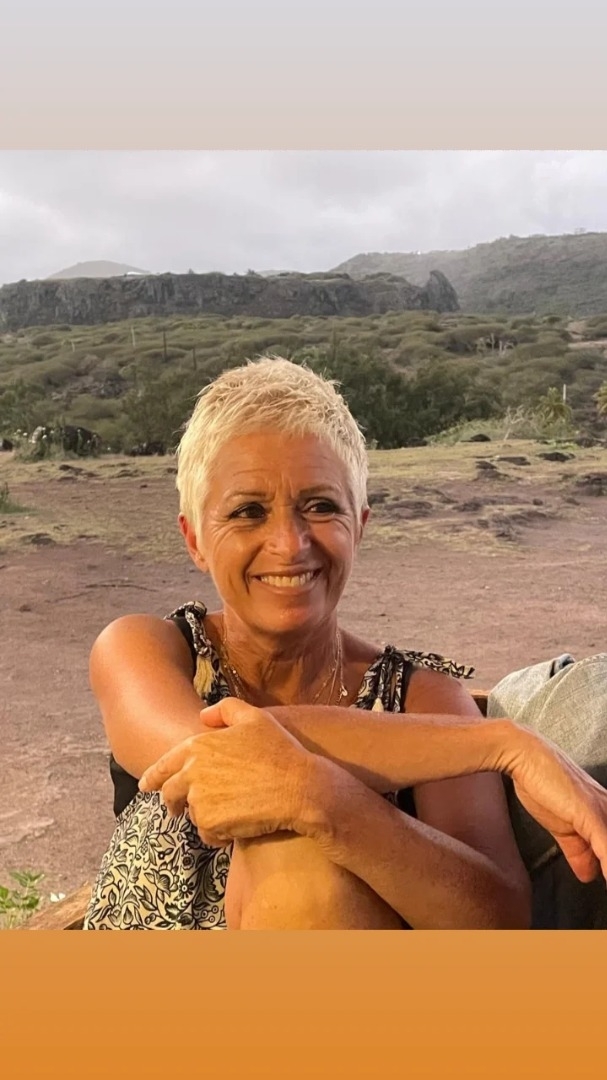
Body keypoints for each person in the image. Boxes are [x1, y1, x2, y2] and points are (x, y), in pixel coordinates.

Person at [84, 357, 607, 930]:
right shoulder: (146, 649)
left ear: (359, 524)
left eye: (320, 506)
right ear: (194, 539)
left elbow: (500, 924)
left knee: (302, 857)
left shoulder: (423, 697)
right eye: (248, 512)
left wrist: (328, 804)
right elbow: (221, 760)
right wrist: (504, 744)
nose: (289, 544)